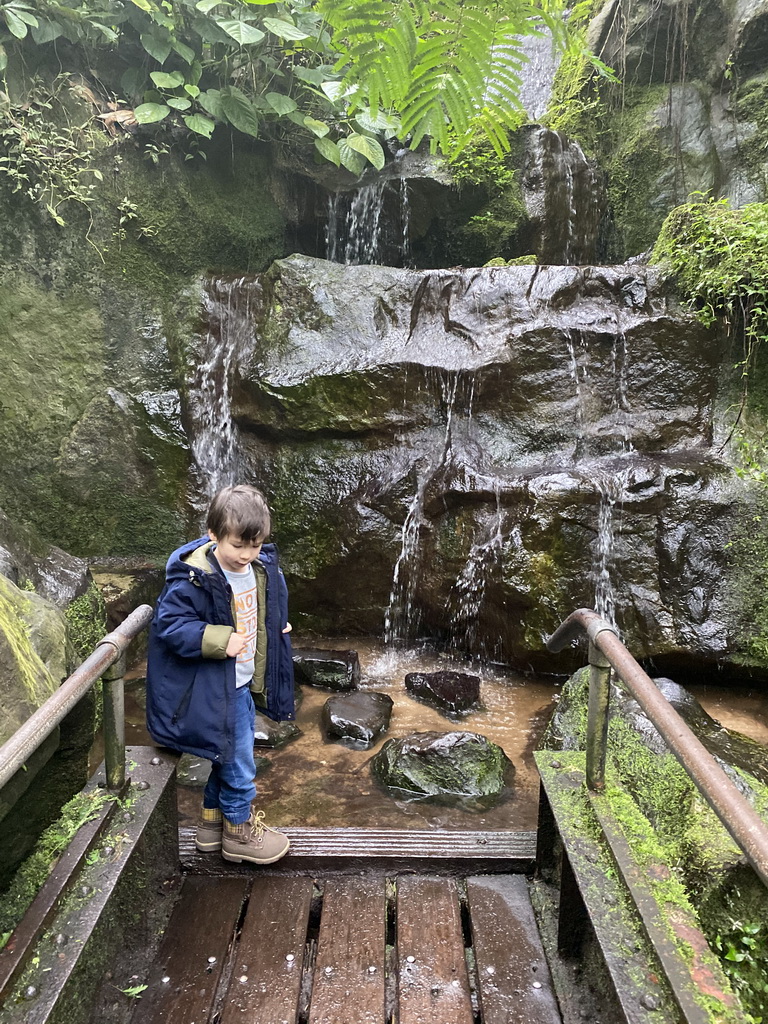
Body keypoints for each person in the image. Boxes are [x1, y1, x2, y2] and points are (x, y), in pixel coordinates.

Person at [146, 484, 295, 865]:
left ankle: (211, 827)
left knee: (225, 755)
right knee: (241, 764)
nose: (246, 555)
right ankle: (239, 833)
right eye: (237, 546)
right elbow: (170, 625)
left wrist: (276, 625)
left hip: (240, 683)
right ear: (213, 535)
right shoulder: (194, 578)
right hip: (214, 688)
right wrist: (217, 638)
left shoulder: (260, 569)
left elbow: (263, 607)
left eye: (255, 545)